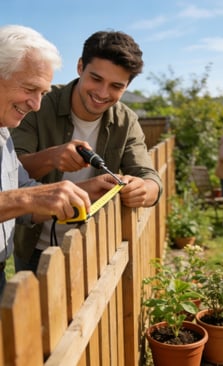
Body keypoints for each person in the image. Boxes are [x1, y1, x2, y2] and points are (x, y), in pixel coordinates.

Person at [11, 30, 163, 273]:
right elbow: (10, 174)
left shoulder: (127, 121)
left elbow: (150, 178)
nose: (102, 93)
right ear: (80, 67)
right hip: (35, 248)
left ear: (127, 87)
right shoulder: (38, 103)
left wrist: (144, 190)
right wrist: (51, 158)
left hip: (96, 243)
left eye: (116, 86)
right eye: (96, 79)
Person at [0, 25, 117, 295]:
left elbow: (21, 193)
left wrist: (78, 192)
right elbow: (24, 199)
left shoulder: (4, 131)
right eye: (30, 89)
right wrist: (29, 199)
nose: (36, 105)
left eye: (42, 93)